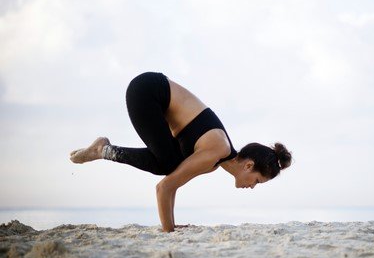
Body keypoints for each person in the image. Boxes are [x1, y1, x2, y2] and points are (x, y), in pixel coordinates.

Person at [70, 72, 292, 232]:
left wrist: (172, 225)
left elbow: (173, 181)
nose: (252, 186)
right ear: (249, 165)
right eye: (257, 181)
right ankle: (102, 149)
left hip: (153, 94)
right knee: (167, 164)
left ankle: (103, 149)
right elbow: (164, 187)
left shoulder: (214, 163)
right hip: (147, 90)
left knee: (170, 164)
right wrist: (169, 232)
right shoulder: (217, 150)